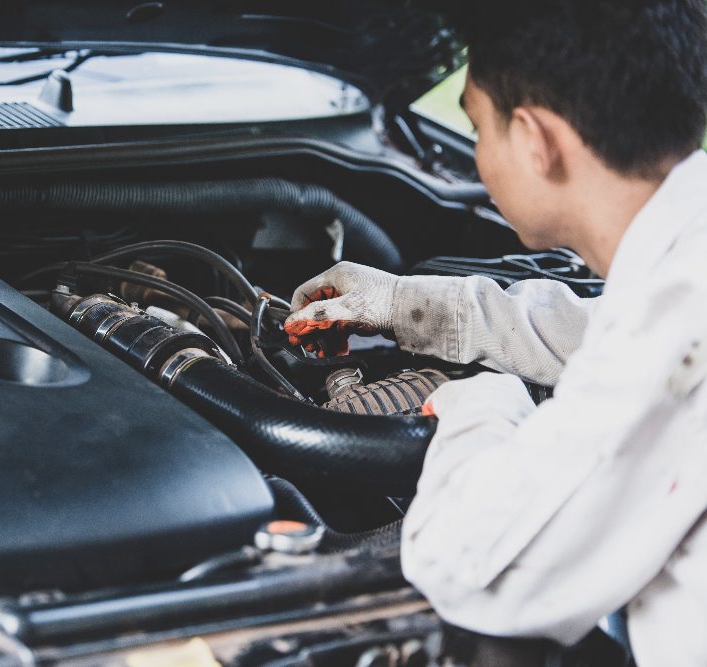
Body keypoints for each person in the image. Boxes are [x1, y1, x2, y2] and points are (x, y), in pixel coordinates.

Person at [283, 1, 707, 665]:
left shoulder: (682, 323)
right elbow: (592, 331)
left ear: (537, 141)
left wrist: (482, 406)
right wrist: (402, 303)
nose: (476, 151)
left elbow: (469, 566)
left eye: (477, 126)